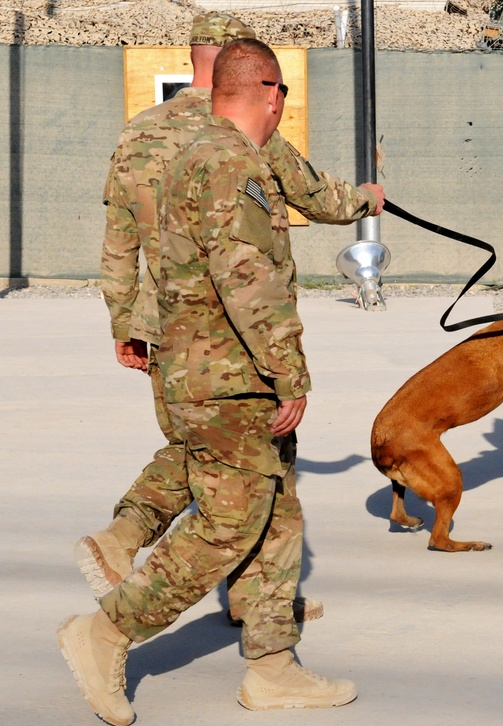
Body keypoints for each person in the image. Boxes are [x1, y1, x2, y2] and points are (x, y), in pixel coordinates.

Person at [58, 38, 356, 725]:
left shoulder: (194, 152)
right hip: (229, 375)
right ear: (272, 93)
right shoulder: (231, 163)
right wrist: (290, 376)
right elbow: (248, 280)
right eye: (280, 95)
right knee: (225, 525)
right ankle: (106, 632)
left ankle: (273, 666)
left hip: (199, 365)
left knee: (276, 507)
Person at [80, 12, 384, 612]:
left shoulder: (139, 131)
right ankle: (242, 608)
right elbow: (314, 197)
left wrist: (122, 323)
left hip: (158, 322)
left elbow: (118, 235)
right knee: (242, 464)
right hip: (231, 333)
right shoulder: (239, 132)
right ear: (246, 69)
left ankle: (142, 543)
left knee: (203, 454)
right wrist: (366, 200)